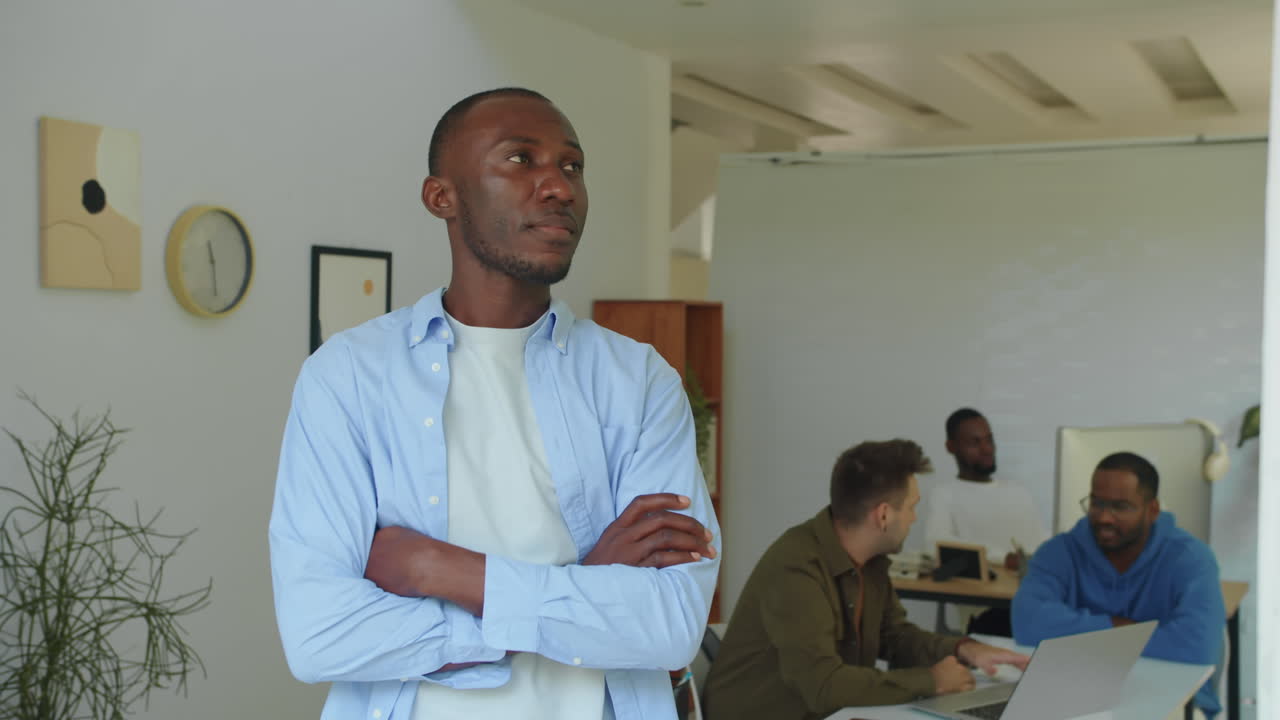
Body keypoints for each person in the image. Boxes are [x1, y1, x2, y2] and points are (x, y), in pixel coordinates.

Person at [268, 87, 721, 720]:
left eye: (572, 165)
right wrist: (586, 583)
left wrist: (441, 571)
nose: (559, 187)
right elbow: (320, 635)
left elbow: (670, 624)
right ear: (441, 197)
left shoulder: (638, 381)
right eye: (519, 159)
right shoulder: (348, 378)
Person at [701, 439, 1028, 720]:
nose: (915, 518)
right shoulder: (796, 568)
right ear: (884, 515)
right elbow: (824, 686)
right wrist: (932, 681)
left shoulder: (870, 562)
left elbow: (895, 637)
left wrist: (964, 649)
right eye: (912, 507)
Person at [1012, 451, 1225, 717]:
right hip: (1080, 693)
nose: (1104, 518)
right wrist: (1116, 626)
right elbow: (1027, 622)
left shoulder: (1191, 559)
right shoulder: (1059, 552)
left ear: (1152, 510)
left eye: (1120, 506)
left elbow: (1197, 648)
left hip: (1171, 698)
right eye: (1097, 503)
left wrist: (1092, 635)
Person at [923, 408, 1048, 635]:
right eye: (975, 442)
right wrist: (1004, 557)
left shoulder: (1018, 492)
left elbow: (1042, 542)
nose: (987, 449)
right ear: (951, 447)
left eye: (989, 440)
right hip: (986, 610)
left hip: (1031, 598)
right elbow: (935, 544)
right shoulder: (945, 494)